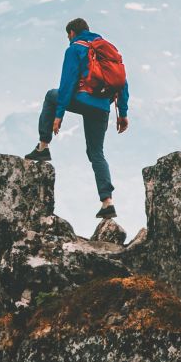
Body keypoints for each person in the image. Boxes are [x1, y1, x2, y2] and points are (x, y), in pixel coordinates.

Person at [24, 18, 129, 219]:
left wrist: (59, 114)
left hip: (83, 100)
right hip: (102, 108)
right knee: (96, 153)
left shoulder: (75, 49)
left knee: (50, 95)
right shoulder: (108, 50)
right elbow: (122, 82)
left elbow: (68, 82)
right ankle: (107, 202)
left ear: (72, 33)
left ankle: (43, 147)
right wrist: (122, 114)